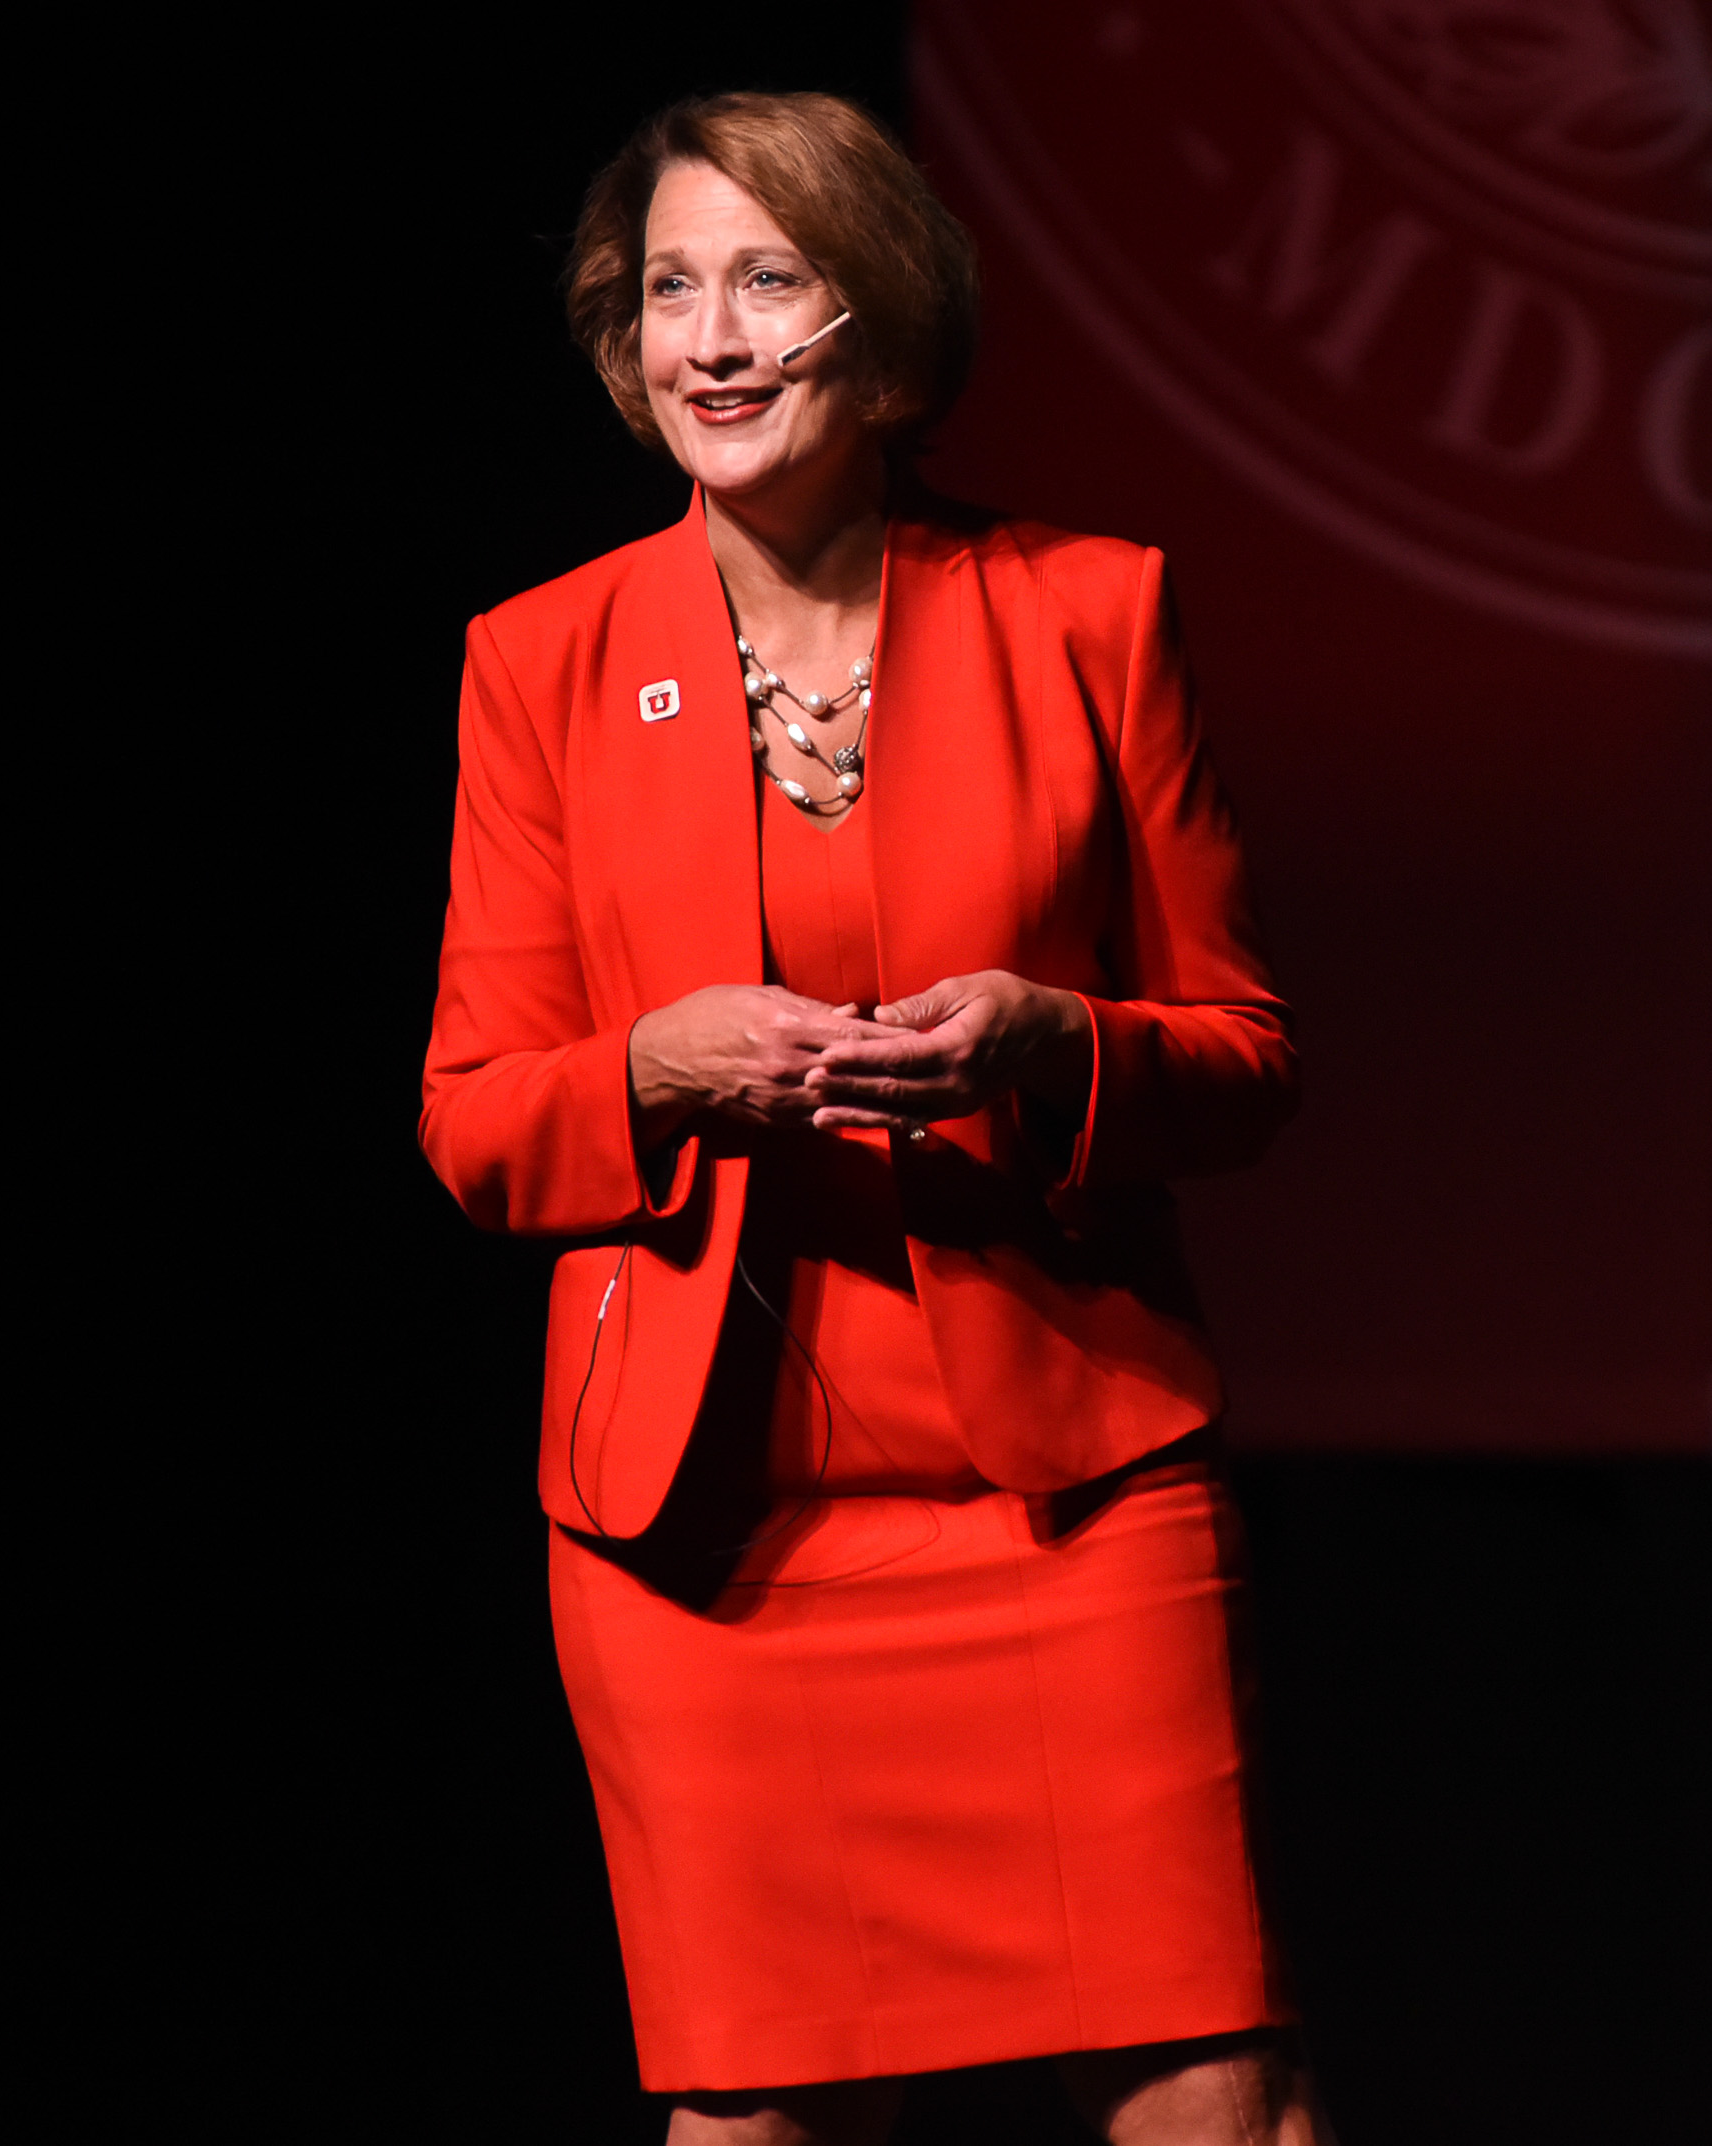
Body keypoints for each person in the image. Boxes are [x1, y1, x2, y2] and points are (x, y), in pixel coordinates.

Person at [420, 90, 1333, 2146]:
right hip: (703, 1543)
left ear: (884, 321)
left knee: (1221, 2089)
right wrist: (653, 1068)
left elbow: (1246, 1053)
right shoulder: (539, 663)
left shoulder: (1090, 612)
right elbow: (476, 1123)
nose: (713, 340)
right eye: (668, 288)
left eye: (771, 278)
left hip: (1074, 1498)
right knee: (756, 2118)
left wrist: (1051, 1044)